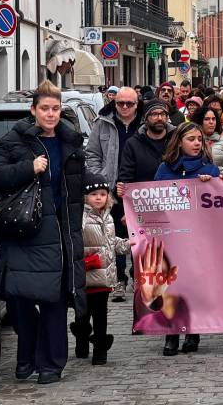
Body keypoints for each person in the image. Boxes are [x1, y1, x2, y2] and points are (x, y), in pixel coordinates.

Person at [0, 80, 85, 385]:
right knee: (22, 299)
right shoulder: (16, 139)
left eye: (55, 109)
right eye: (45, 108)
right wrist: (29, 167)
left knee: (54, 299)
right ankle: (27, 356)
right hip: (25, 230)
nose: (51, 114)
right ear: (34, 110)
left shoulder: (71, 141)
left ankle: (51, 365)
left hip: (61, 230)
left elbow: (77, 185)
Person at [151, 122, 221, 355]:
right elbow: (151, 199)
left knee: (192, 284)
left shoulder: (209, 170)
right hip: (170, 236)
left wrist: (211, 186)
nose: (196, 143)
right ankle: (171, 335)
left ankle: (192, 331)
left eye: (199, 139)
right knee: (170, 284)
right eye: (191, 139)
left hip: (198, 237)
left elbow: (218, 204)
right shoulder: (164, 169)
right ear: (179, 141)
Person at [87, 87, 142, 302]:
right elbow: (92, 153)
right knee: (113, 234)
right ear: (114, 102)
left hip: (139, 189)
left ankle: (139, 277)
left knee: (139, 234)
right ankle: (119, 280)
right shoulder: (103, 123)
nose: (125, 107)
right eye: (121, 103)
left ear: (137, 104)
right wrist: (101, 178)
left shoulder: (145, 124)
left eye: (130, 103)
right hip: (111, 188)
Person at [72, 174, 133, 365]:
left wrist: (128, 244)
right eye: (93, 194)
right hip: (87, 275)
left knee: (100, 314)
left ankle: (100, 350)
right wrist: (84, 261)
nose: (98, 198)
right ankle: (82, 340)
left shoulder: (108, 217)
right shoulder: (80, 217)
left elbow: (110, 242)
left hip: (104, 277)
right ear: (85, 197)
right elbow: (75, 244)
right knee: (83, 314)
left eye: (102, 194)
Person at [118, 100, 176, 193]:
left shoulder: (177, 140)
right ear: (145, 118)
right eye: (154, 114)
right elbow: (126, 176)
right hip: (145, 202)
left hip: (173, 200)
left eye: (163, 114)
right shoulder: (133, 144)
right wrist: (123, 189)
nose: (160, 118)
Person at [191, 106, 223, 175]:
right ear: (199, 121)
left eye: (214, 119)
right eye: (207, 119)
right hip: (198, 183)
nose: (211, 122)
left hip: (221, 183)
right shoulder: (192, 142)